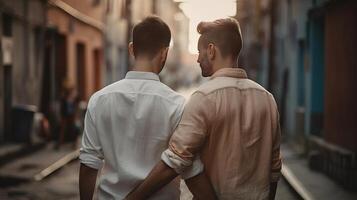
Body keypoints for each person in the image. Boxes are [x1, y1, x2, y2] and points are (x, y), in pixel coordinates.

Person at [126, 18, 282, 200]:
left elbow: (177, 160)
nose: (198, 58)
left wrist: (132, 198)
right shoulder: (267, 99)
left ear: (211, 50)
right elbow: (274, 168)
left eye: (200, 52)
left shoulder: (205, 97)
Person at [79, 16, 214, 200]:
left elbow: (88, 165)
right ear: (165, 53)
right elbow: (188, 167)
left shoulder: (99, 100)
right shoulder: (177, 104)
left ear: (131, 49)